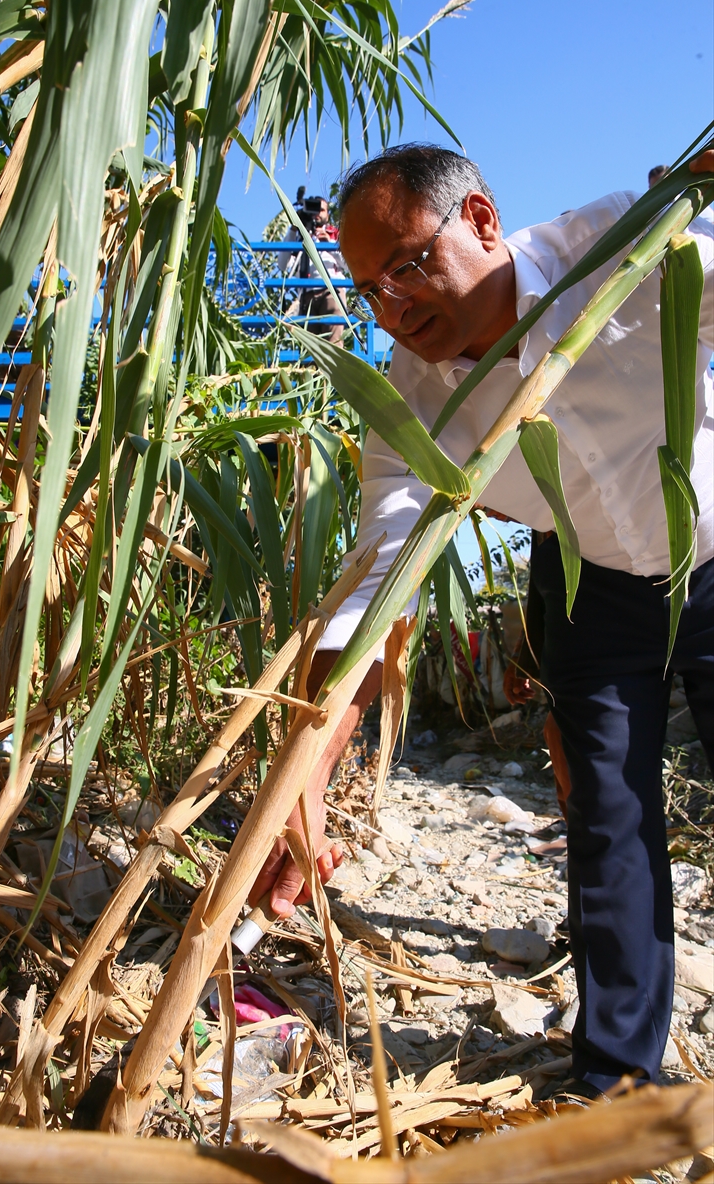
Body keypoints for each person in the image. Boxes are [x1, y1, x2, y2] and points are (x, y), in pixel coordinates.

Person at [253, 143, 714, 1098]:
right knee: (610, 817)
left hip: (713, 546)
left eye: (410, 265)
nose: (395, 307)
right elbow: (378, 588)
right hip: (595, 582)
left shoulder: (627, 252)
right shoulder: (409, 401)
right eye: (370, 289)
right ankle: (617, 1082)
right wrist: (303, 777)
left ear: (483, 221)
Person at [278, 191, 348, 344]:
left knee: (333, 345)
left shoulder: (335, 234)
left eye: (321, 210)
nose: (317, 214)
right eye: (313, 209)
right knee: (311, 351)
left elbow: (349, 265)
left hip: (332, 291)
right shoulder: (299, 237)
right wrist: (294, 229)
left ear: (328, 215)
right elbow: (282, 265)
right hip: (306, 294)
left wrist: (329, 245)